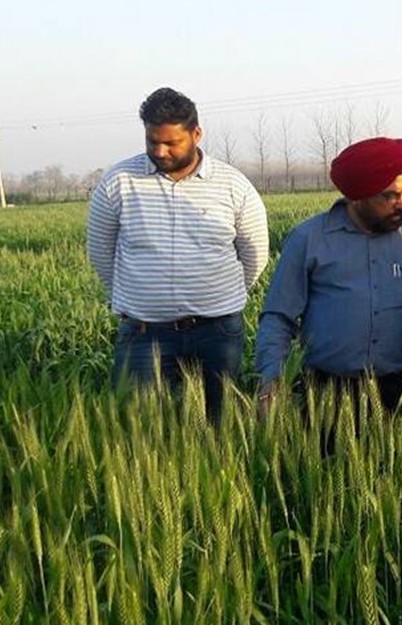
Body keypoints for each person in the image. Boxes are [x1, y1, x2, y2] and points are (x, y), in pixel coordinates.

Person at [87, 87, 269, 426]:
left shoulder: (233, 185)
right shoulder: (119, 181)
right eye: (152, 141)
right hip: (144, 333)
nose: (160, 151)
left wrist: (219, 297)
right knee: (140, 430)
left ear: (196, 133)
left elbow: (254, 253)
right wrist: (141, 298)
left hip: (218, 331)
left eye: (171, 143)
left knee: (222, 425)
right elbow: (100, 251)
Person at [254, 138, 402, 429]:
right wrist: (272, 379)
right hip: (326, 395)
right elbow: (278, 317)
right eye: (390, 196)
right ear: (358, 196)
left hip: (399, 392)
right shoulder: (309, 240)